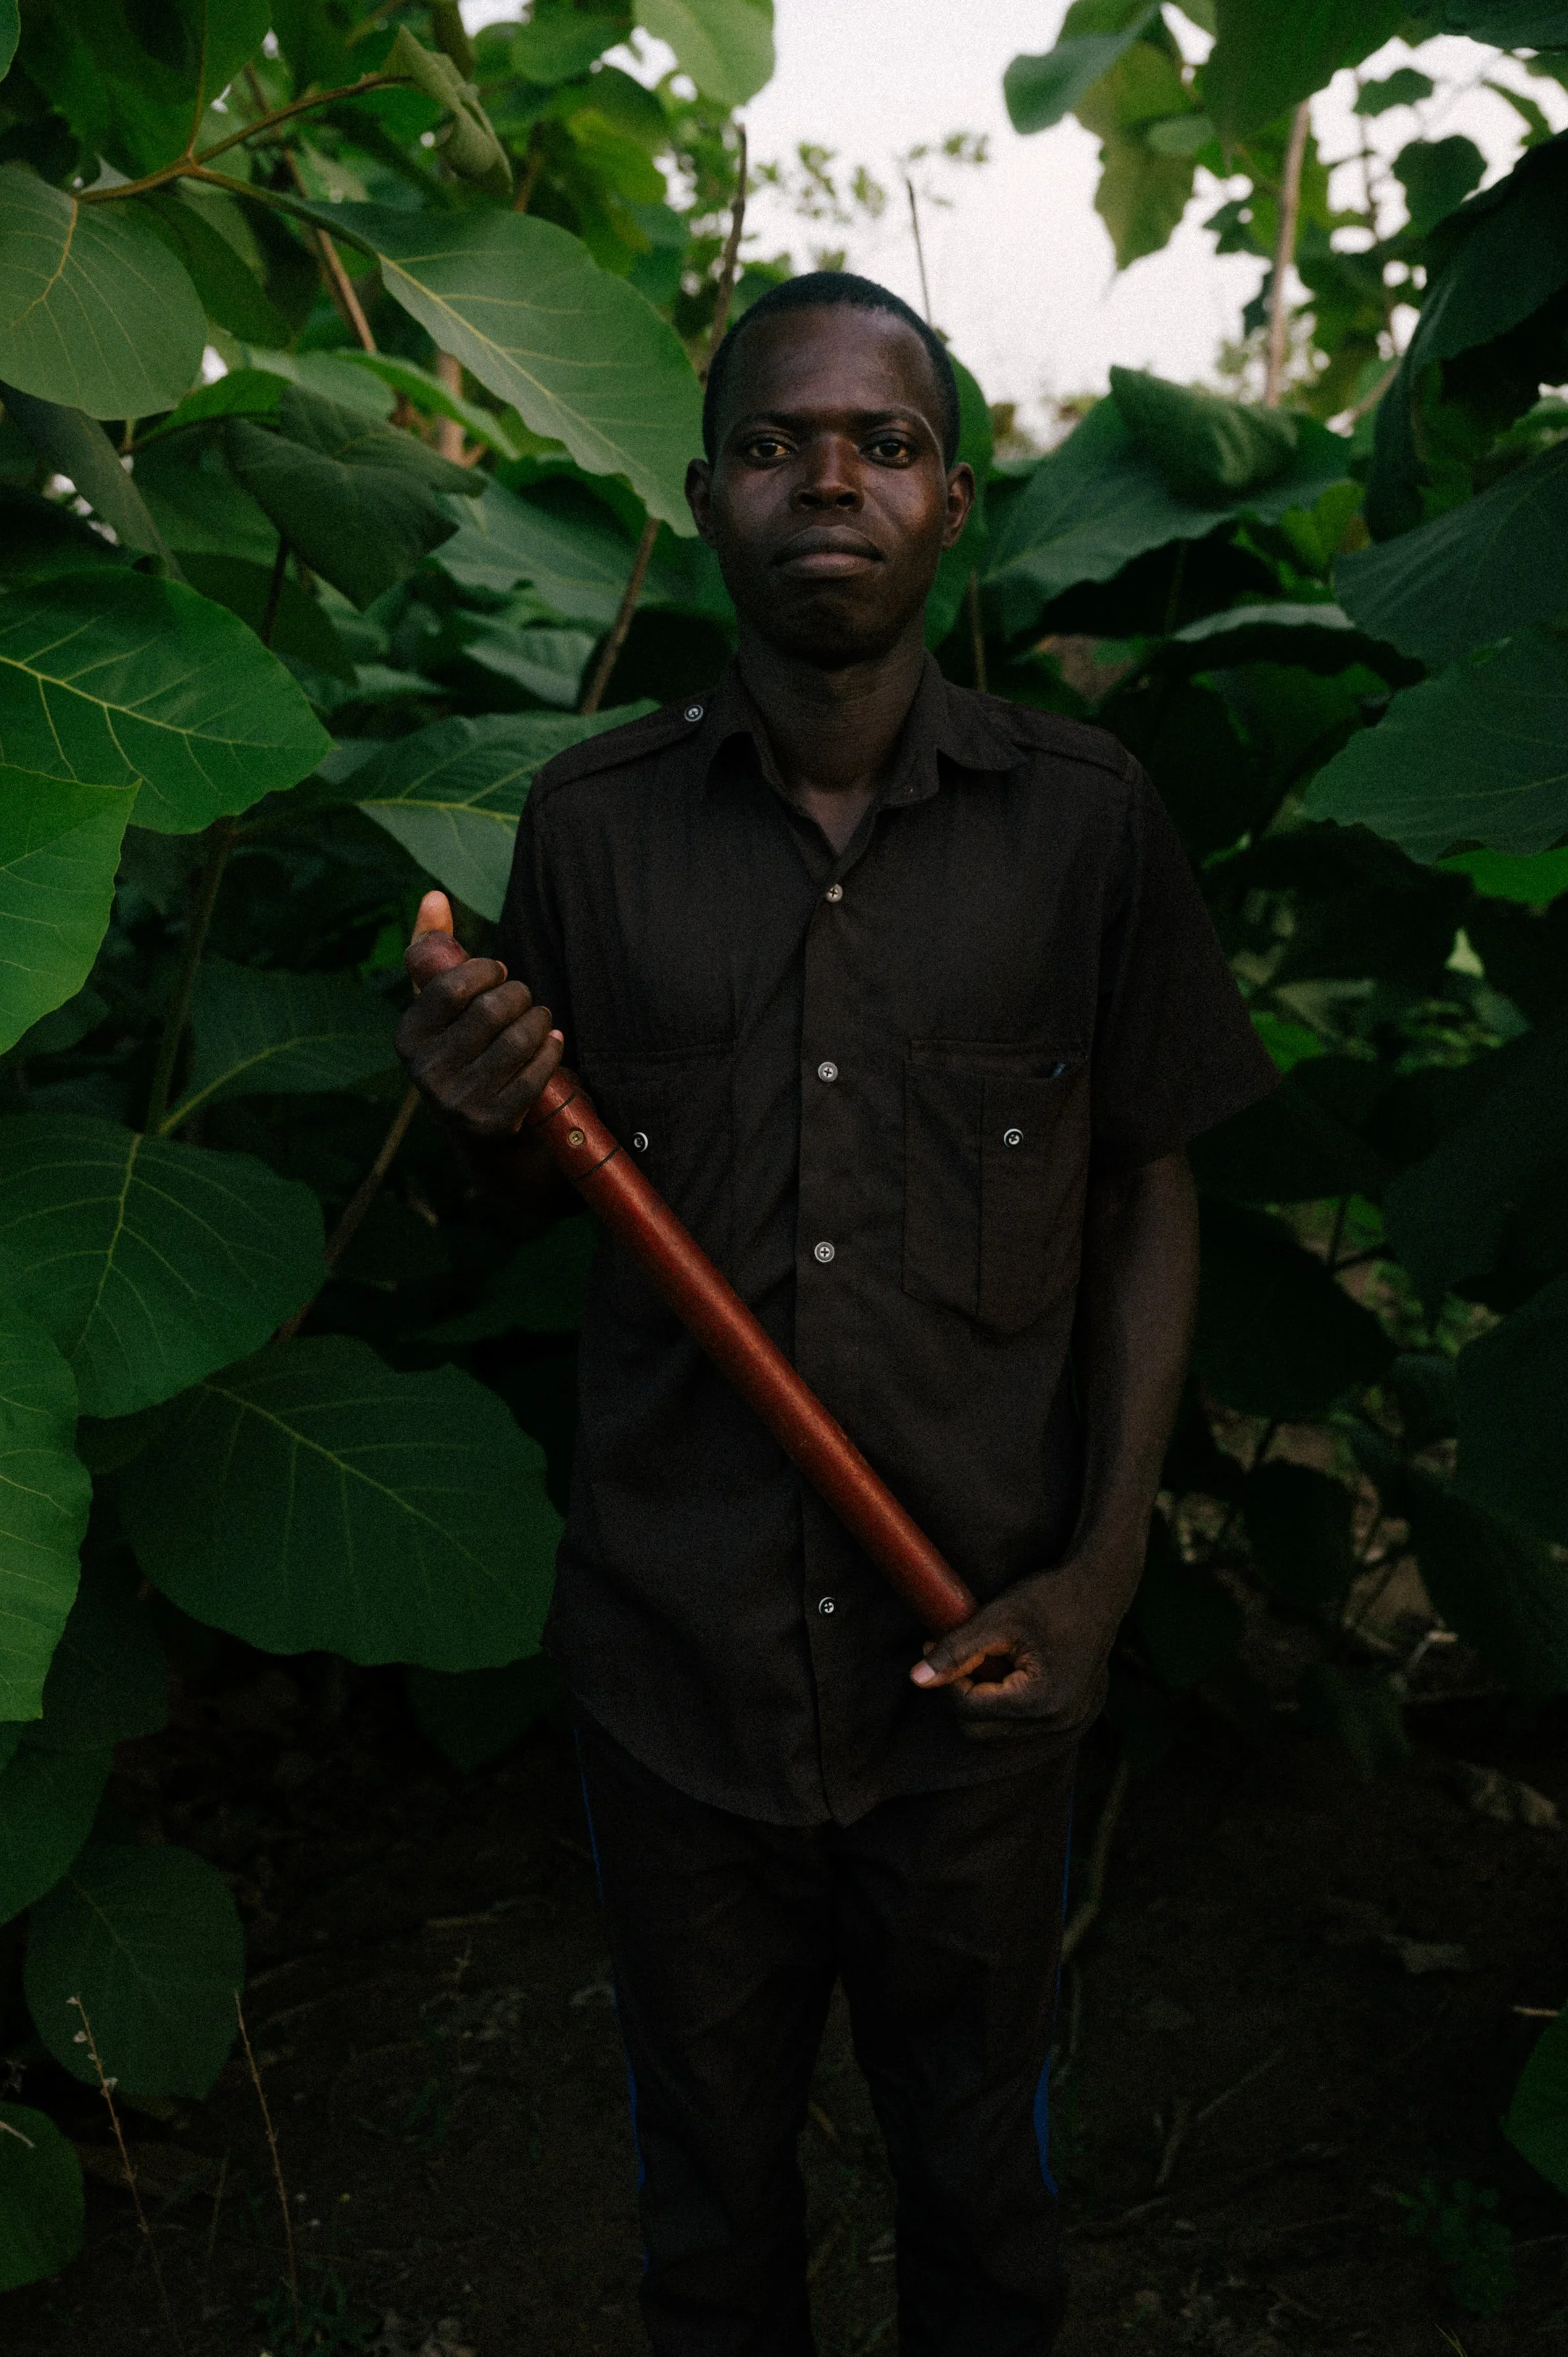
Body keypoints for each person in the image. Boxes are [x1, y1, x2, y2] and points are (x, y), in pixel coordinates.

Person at [396, 271, 1276, 2356]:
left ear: (954, 501)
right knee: (710, 2231)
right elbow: (519, 1180)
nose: (831, 481)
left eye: (882, 445)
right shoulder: (589, 834)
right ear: (703, 496)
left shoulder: (1085, 829)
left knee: (985, 2211)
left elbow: (1152, 1173)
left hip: (973, 1668)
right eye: (780, 441)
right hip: (675, 1673)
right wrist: (475, 1112)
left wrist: (1102, 1562)